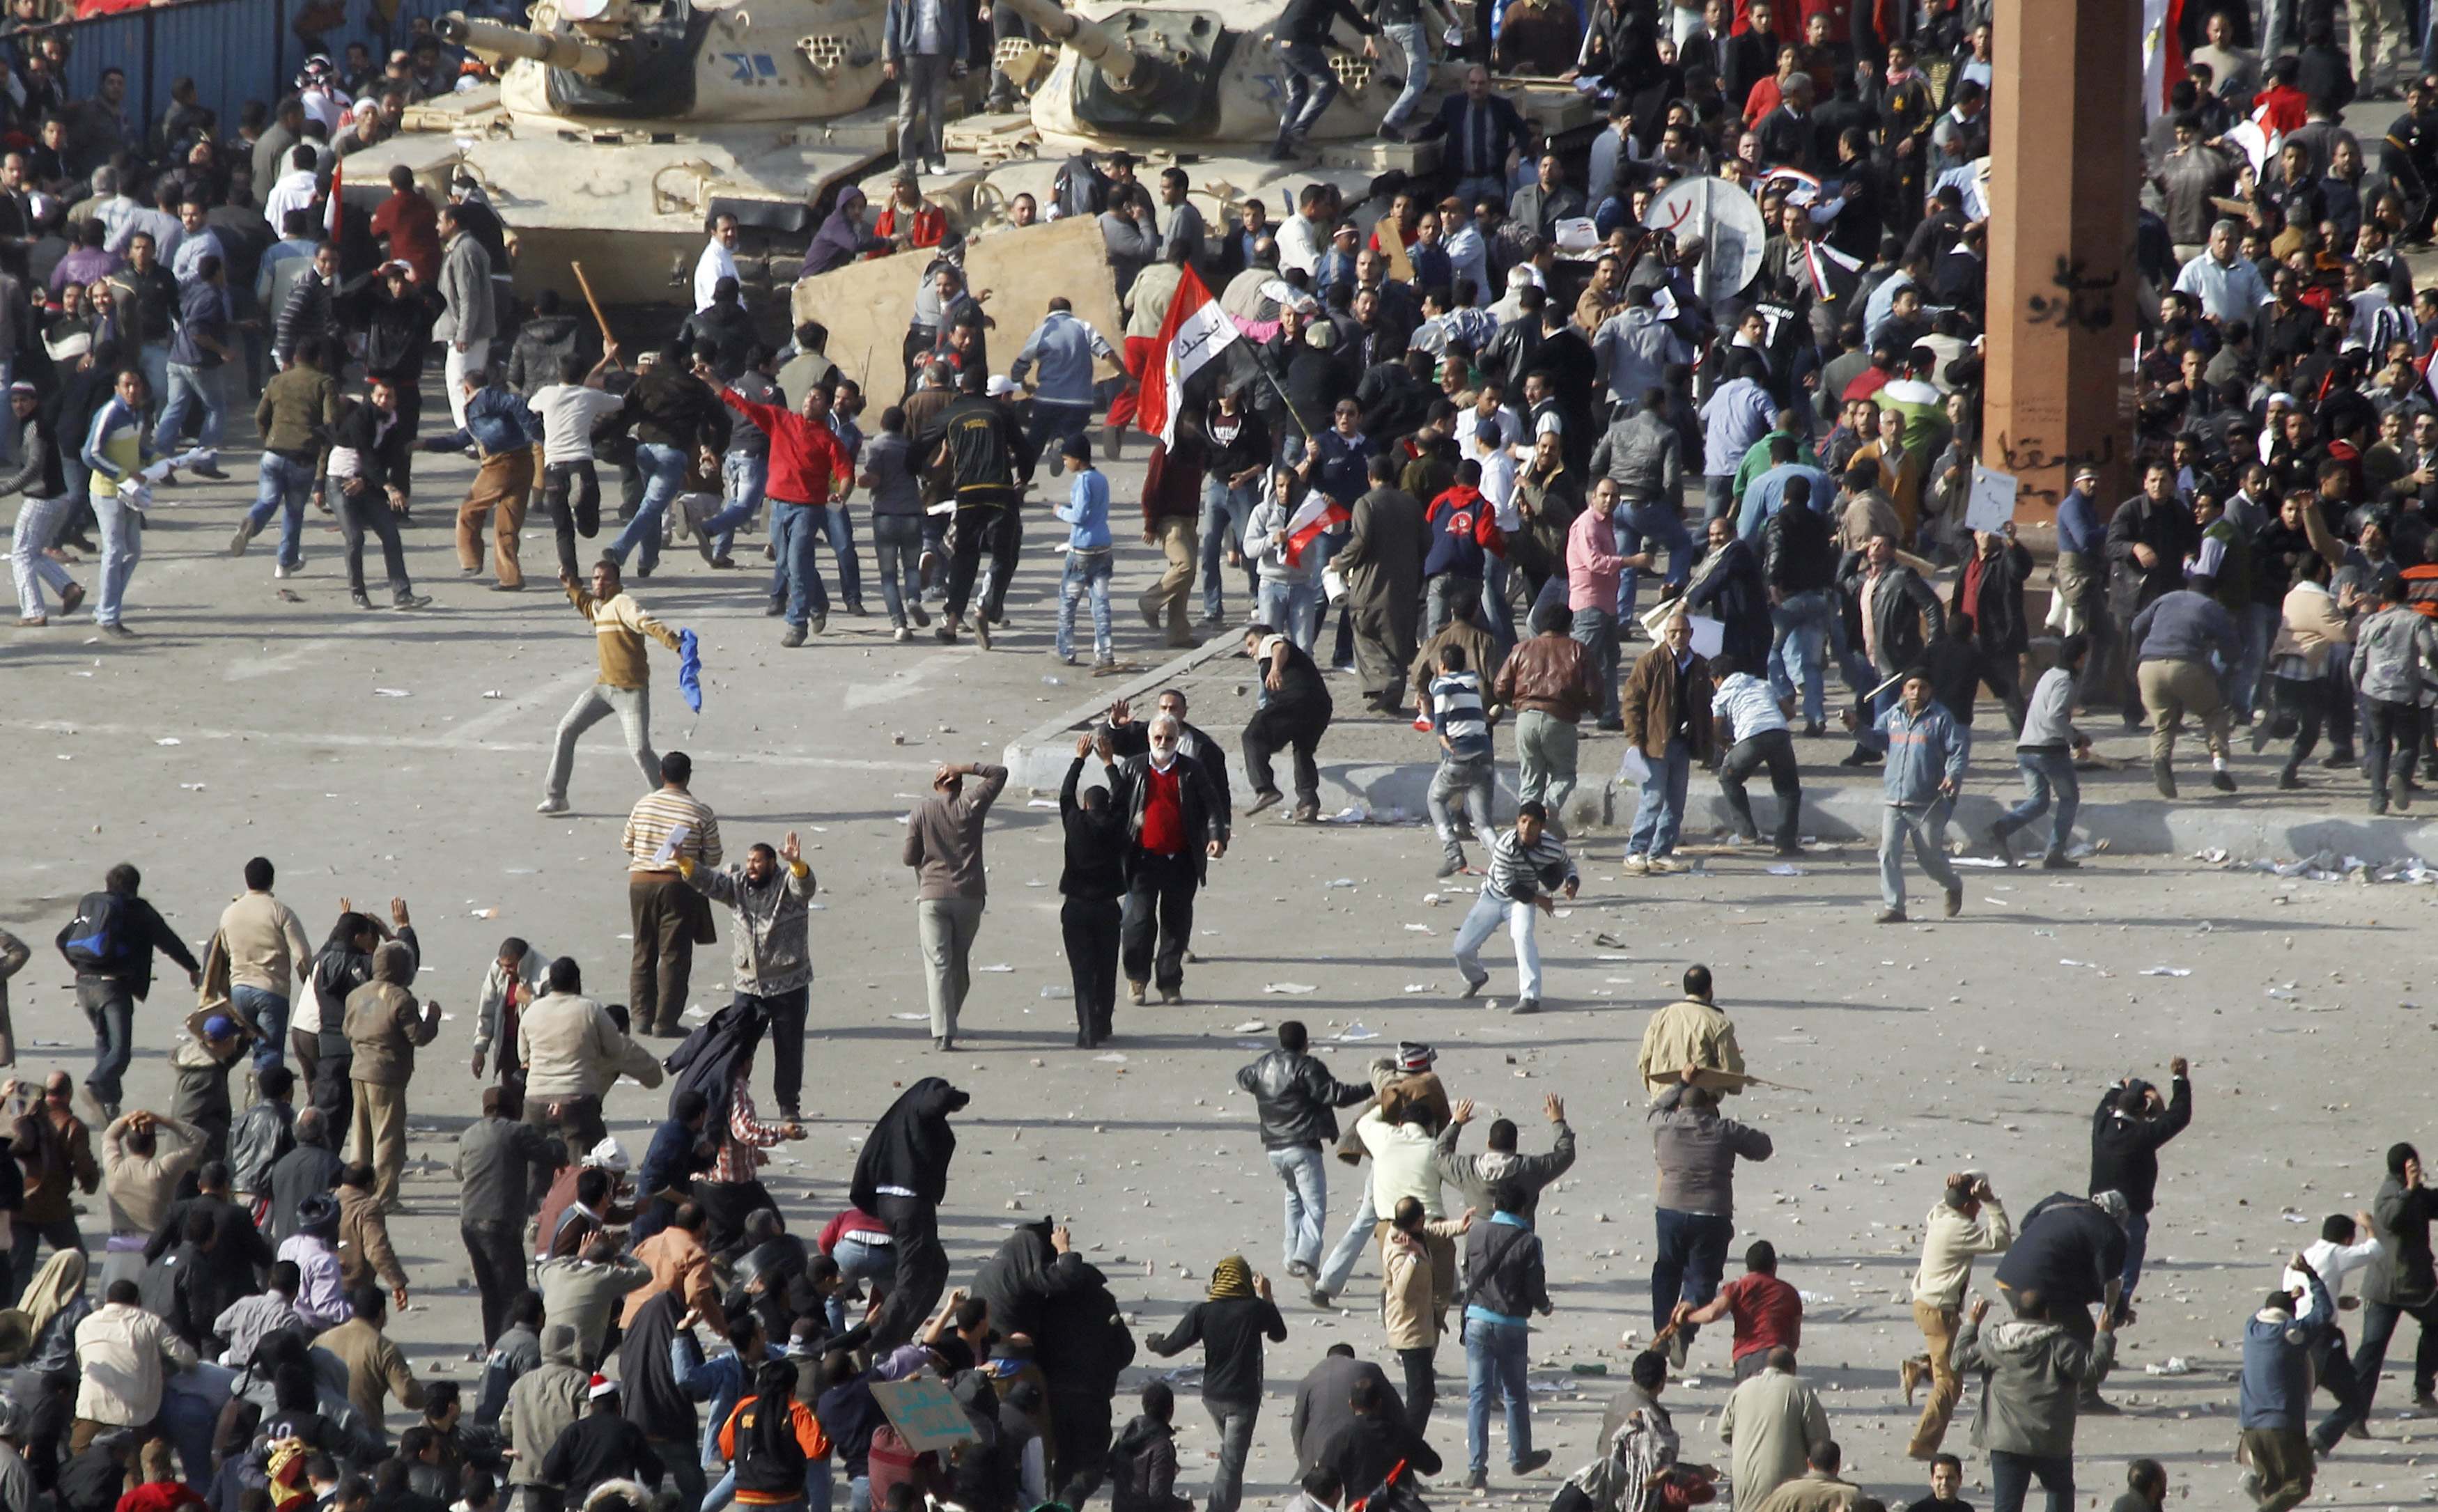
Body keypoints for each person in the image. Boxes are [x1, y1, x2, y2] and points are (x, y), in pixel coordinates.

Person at [683, 831, 816, 1119]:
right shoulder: (738, 885)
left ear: (771, 863)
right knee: (735, 1046)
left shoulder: (787, 886)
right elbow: (711, 883)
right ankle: (730, 1100)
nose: (752, 866)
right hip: (748, 985)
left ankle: (788, 1104)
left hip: (788, 983)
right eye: (749, 861)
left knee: (789, 1047)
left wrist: (797, 864)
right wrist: (685, 862)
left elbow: (805, 888)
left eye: (758, 861)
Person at [718, 363, 853, 647]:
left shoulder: (829, 440)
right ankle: (818, 603)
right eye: (807, 397)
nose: (809, 401)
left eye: (816, 399)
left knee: (798, 563)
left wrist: (841, 493)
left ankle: (797, 622)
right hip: (778, 505)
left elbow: (845, 473)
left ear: (826, 407)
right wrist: (711, 380)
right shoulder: (781, 420)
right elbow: (741, 404)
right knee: (784, 563)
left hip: (808, 508)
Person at [539, 559, 684, 816]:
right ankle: (556, 797)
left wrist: (676, 645)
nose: (599, 582)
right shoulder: (600, 607)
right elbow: (586, 605)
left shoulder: (623, 604)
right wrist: (572, 586)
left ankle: (667, 800)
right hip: (604, 689)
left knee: (640, 750)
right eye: (595, 578)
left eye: (605, 578)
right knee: (566, 730)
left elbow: (649, 624)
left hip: (631, 691)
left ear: (617, 582)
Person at [56, 863, 201, 1121]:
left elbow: (62, 939)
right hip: (112, 988)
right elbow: (168, 941)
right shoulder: (138, 911)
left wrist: (82, 966)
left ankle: (110, 1105)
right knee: (121, 1052)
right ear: (135, 886)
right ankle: (95, 1085)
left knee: (104, 1040)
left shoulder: (97, 907)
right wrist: (192, 967)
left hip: (84, 986)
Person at [1142, 1256, 1287, 1512]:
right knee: (1232, 1463)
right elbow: (1279, 1333)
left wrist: (1154, 1341)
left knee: (1230, 1456)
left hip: (1212, 1397)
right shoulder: (1255, 1309)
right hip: (1242, 1400)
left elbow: (1169, 1347)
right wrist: (1266, 1294)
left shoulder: (1203, 1312)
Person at [1954, 1291, 2115, 1512]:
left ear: (2016, 1312)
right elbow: (2093, 1371)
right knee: (2060, 1493)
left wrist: (1972, 1323)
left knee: (2007, 1505)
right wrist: (2103, 1335)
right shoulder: (2059, 1344)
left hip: (2006, 1440)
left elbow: (1959, 1361)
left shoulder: (1995, 1342)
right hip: (2050, 1440)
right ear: (2047, 1313)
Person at [1108, 710, 1227, 1006]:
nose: (1163, 742)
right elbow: (1115, 806)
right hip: (1142, 859)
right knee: (1136, 922)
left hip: (1181, 859)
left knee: (1176, 924)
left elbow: (1212, 806)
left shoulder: (1191, 771)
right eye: (1158, 737)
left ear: (1177, 740)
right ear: (1149, 739)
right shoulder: (1134, 769)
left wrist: (1216, 837)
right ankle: (1137, 979)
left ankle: (1170, 983)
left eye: (1169, 738)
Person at [851, 1076, 968, 1350]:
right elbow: (935, 1102)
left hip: (891, 1203)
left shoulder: (902, 1119)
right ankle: (870, 1346)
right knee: (909, 1282)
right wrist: (959, 1097)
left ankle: (901, 1334)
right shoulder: (920, 1108)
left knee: (937, 1268)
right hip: (910, 1207)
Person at [1904, 1174, 2012, 1460]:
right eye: (1975, 1204)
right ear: (1968, 1206)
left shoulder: (1940, 1213)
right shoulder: (1961, 1229)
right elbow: (2001, 1239)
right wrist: (1991, 1203)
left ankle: (1919, 1367)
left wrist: (1959, 1179)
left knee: (1946, 1357)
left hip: (1924, 1304)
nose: (1978, 1209)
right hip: (1939, 1312)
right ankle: (1922, 1445)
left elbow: (1958, 1193)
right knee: (1950, 1383)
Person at [901, 761, 1007, 1052]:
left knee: (939, 964)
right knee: (958, 961)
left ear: (936, 786)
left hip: (933, 896)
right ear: (960, 785)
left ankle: (943, 1031)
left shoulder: (922, 811)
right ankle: (948, 1019)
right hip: (970, 897)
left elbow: (909, 857)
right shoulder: (972, 804)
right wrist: (963, 766)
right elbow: (1000, 773)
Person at [1847, 668, 1966, 923]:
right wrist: (1856, 727)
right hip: (1894, 799)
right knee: (1888, 853)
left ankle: (1952, 885)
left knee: (1929, 857)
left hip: (1928, 801)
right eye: (1911, 687)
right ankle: (1895, 907)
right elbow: (1878, 742)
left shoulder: (1941, 719)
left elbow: (1957, 751)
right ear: (1903, 689)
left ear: (1930, 690)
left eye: (1922, 687)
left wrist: (1952, 776)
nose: (1916, 692)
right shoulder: (1893, 716)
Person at [1455, 1179, 1552, 1490]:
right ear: (1524, 1208)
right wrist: (1545, 1307)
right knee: (1514, 1393)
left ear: (1495, 1205)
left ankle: (1476, 1468)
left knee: (1478, 1395)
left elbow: (1468, 1273)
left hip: (1477, 1321)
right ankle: (1520, 1456)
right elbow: (1534, 1288)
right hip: (1511, 1325)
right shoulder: (1529, 1241)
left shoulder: (1476, 1232)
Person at [621, 751, 722, 1038]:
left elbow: (627, 843)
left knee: (643, 950)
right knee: (674, 955)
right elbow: (713, 857)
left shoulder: (643, 804)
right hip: (679, 886)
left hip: (640, 883)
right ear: (689, 776)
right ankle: (665, 1022)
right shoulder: (700, 811)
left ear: (662, 775)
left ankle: (640, 1016)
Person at [2090, 1059, 2192, 1327]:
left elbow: (2110, 1097)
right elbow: (2178, 1116)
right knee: (2123, 1278)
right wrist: (2179, 1080)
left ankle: (2100, 1324)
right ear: (2141, 1113)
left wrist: (2130, 1087)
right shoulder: (2142, 1136)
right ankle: (2104, 1329)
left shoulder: (2102, 1127)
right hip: (2129, 1216)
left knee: (2100, 1274)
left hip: (2096, 1215)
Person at [341, 940, 442, 1210]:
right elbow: (418, 1036)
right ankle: (385, 1197)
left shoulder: (357, 995)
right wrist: (432, 1018)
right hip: (386, 1074)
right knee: (387, 1138)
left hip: (359, 1070)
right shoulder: (400, 998)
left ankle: (356, 1192)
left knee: (361, 1137)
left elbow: (346, 1030)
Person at [1450, 802, 1576, 1015]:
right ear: (1517, 822)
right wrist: (1541, 900)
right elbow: (1509, 887)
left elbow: (1568, 864)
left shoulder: (1552, 846)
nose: (1527, 828)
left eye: (1533, 823)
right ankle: (1476, 978)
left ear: (1542, 827)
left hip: (1522, 903)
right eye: (1523, 821)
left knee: (1523, 937)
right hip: (1494, 896)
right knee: (1462, 949)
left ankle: (1530, 997)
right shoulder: (1504, 846)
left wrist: (1572, 882)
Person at [2128, 574, 2242, 797]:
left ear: (2188, 587)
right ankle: (2220, 768)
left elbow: (2136, 626)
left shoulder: (2166, 598)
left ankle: (2161, 760)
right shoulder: (2212, 607)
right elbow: (2232, 649)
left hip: (2149, 666)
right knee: (2213, 713)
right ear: (2214, 593)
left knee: (2163, 724)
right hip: (2187, 666)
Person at [1620, 611, 1716, 875]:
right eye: (1673, 632)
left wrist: (1706, 743)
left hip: (1682, 744)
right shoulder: (1651, 662)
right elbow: (1632, 703)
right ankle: (1636, 851)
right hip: (1655, 743)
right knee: (1653, 799)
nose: (1679, 637)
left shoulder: (1699, 665)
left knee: (1676, 803)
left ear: (1691, 634)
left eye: (1684, 632)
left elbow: (1705, 707)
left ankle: (1661, 852)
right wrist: (1636, 740)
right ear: (1665, 634)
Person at [1988, 635, 2091, 868]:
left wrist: (2076, 734)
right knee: (2069, 798)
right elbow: (2055, 715)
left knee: (2039, 801)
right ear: (2081, 658)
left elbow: (2047, 713)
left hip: (2026, 748)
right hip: (2048, 751)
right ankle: (2055, 853)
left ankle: (2001, 829)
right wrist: (2075, 741)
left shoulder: (2049, 676)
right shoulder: (2065, 681)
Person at [2241, 1256, 2333, 1512]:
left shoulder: (2251, 1328)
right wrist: (2311, 1275)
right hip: (2281, 1424)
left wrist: (2289, 1297)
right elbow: (2324, 1312)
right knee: (2298, 1485)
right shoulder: (2291, 1335)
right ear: (2290, 1316)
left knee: (2273, 1488)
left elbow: (2272, 1308)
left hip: (2250, 1425)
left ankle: (2263, 1499)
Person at [2355, 1142, 2438, 1420]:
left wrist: (2416, 1189)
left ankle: (2423, 1387)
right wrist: (2410, 1189)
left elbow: (2433, 1203)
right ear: (2406, 1167)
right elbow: (2390, 1218)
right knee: (2372, 1349)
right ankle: (2355, 1414)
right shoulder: (2390, 1193)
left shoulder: (2414, 1193)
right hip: (2386, 1290)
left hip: (2416, 1287)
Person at [1059, 737, 1128, 1049]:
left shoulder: (1074, 822)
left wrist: (1079, 759)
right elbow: (1124, 796)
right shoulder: (1116, 823)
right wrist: (1109, 762)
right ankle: (1103, 1023)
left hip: (1076, 907)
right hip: (1107, 907)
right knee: (1106, 968)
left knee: (1082, 972)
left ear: (1086, 805)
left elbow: (1064, 795)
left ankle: (1086, 1030)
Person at [71, 1277, 196, 1450]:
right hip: (135, 1414)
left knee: (80, 1464)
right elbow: (186, 1358)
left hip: (92, 1407)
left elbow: (82, 1362)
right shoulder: (150, 1322)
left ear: (107, 1300)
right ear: (137, 1301)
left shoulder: (86, 1324)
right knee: (134, 1469)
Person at [217, 857, 314, 1077]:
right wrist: (310, 984)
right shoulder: (281, 912)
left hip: (239, 990)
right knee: (269, 1050)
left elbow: (224, 951)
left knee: (241, 1047)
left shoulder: (229, 913)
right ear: (272, 881)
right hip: (271, 991)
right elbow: (302, 956)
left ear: (247, 880)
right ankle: (265, 1101)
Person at [5, 379, 83, 626]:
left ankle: (34, 612)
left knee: (20, 555)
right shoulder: (34, 425)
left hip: (42, 500)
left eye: (24, 400)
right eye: (15, 401)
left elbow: (33, 468)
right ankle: (69, 589)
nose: (19, 405)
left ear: (35, 402)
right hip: (57, 499)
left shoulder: (35, 428)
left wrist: (4, 489)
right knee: (33, 553)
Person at [1710, 653, 1803, 856]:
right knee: (1788, 790)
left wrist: (1726, 744)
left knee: (1728, 779)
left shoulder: (1722, 694)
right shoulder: (1763, 684)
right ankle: (1786, 843)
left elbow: (1715, 729)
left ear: (1717, 678)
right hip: (1779, 732)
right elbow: (1790, 713)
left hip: (1750, 737)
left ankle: (1746, 834)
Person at [1241, 623, 1335, 822]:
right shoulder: (1295, 658)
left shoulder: (1269, 641)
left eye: (1251, 644)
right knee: (1303, 751)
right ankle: (1308, 803)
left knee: (1252, 735)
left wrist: (1275, 669)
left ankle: (1265, 789)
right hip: (1320, 706)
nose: (1250, 652)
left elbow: (1279, 646)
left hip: (1296, 700)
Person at [1671, 1240, 1801, 1380]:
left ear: (1748, 1268)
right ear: (1774, 1266)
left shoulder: (1738, 1288)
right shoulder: (1790, 1292)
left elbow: (1712, 1313)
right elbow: (1794, 1340)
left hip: (1749, 1356)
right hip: (1781, 1356)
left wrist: (1687, 1318)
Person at [1716, 1348, 1826, 1510]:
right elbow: (1820, 1442)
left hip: (1744, 1482)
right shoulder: (1800, 1389)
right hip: (1784, 1485)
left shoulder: (1743, 1388)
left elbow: (1723, 1432)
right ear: (1791, 1369)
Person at [1425, 644, 1495, 877]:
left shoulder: (1441, 684)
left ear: (1442, 666)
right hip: (1484, 754)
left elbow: (1441, 705)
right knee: (1484, 824)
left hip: (1459, 756)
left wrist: (1441, 733)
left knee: (1435, 800)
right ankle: (1506, 867)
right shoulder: (1472, 685)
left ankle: (1454, 855)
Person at [1633, 965, 1746, 1102]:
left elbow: (1645, 1061)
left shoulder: (1660, 1017)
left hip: (1663, 1101)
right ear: (1709, 989)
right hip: (1698, 1103)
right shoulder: (1718, 1022)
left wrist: (1655, 1091)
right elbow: (1732, 1074)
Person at [1055, 435, 1115, 668]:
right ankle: (1105, 653)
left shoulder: (1082, 481)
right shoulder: (1101, 478)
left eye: (1066, 459)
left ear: (1078, 460)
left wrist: (1060, 511)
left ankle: (1066, 649)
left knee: (1068, 601)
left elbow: (1079, 516)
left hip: (1082, 549)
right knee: (1100, 602)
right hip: (1103, 546)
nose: (1065, 463)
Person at [1110, 1382, 1191, 1512]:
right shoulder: (1162, 1446)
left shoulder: (1128, 1430)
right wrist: (1185, 1507)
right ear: (1171, 1410)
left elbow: (1110, 1468)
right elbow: (1159, 1498)